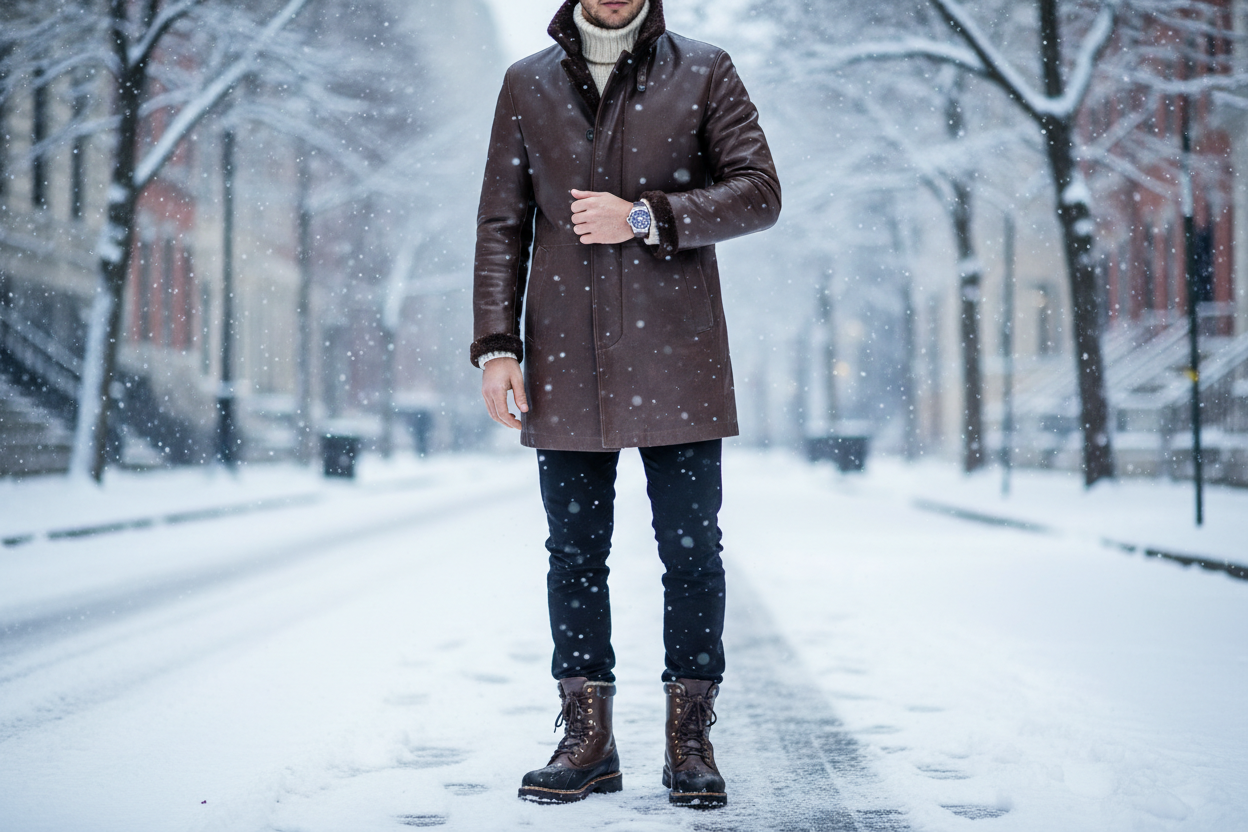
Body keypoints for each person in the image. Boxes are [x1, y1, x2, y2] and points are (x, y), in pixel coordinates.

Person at [471, 0, 780, 808]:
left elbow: (760, 192)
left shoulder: (704, 69)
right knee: (573, 554)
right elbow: (502, 225)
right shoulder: (526, 84)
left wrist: (647, 217)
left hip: (679, 356)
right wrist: (497, 347)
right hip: (565, 356)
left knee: (691, 552)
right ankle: (588, 739)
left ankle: (690, 738)